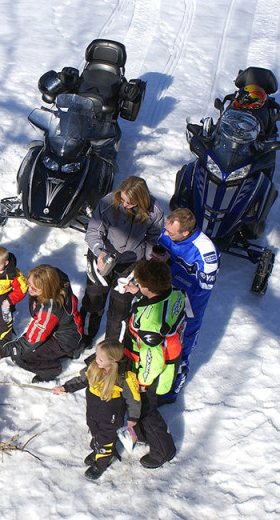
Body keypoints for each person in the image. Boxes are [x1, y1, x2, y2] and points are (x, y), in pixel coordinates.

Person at [79, 176, 164, 349]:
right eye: (123, 199)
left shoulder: (155, 211)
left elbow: (153, 239)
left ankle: (111, 349)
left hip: (132, 264)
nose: (125, 204)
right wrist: (99, 252)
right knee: (93, 300)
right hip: (103, 256)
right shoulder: (108, 202)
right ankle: (85, 337)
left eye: (130, 202)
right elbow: (93, 231)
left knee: (120, 309)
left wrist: (148, 260)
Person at [122, 259, 185, 469]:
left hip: (152, 373)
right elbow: (157, 301)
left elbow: (153, 359)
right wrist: (139, 294)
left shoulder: (150, 322)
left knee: (145, 409)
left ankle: (163, 450)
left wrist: (143, 381)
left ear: (147, 287)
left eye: (138, 283)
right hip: (170, 359)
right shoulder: (173, 292)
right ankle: (141, 432)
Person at [155, 208, 219, 402]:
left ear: (185, 233)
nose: (165, 235)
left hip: (188, 307)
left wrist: (170, 267)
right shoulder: (167, 234)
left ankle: (172, 391)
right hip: (164, 296)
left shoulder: (207, 253)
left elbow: (201, 288)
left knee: (180, 349)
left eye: (171, 233)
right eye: (166, 230)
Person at [52, 339, 141, 480]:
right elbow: (81, 380)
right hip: (93, 411)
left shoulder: (123, 377)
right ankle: (97, 448)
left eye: (100, 358)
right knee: (94, 429)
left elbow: (134, 399)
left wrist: (132, 418)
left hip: (111, 417)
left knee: (106, 440)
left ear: (112, 362)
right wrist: (65, 387)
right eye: (96, 355)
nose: (96, 360)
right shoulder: (94, 367)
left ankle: (102, 462)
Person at [0, 264, 82, 382]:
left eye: (35, 289)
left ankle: (51, 370)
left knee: (21, 356)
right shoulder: (56, 277)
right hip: (70, 327)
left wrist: (4, 351)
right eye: (30, 284)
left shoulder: (49, 310)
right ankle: (70, 350)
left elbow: (31, 340)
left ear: (48, 289)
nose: (29, 289)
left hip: (64, 339)